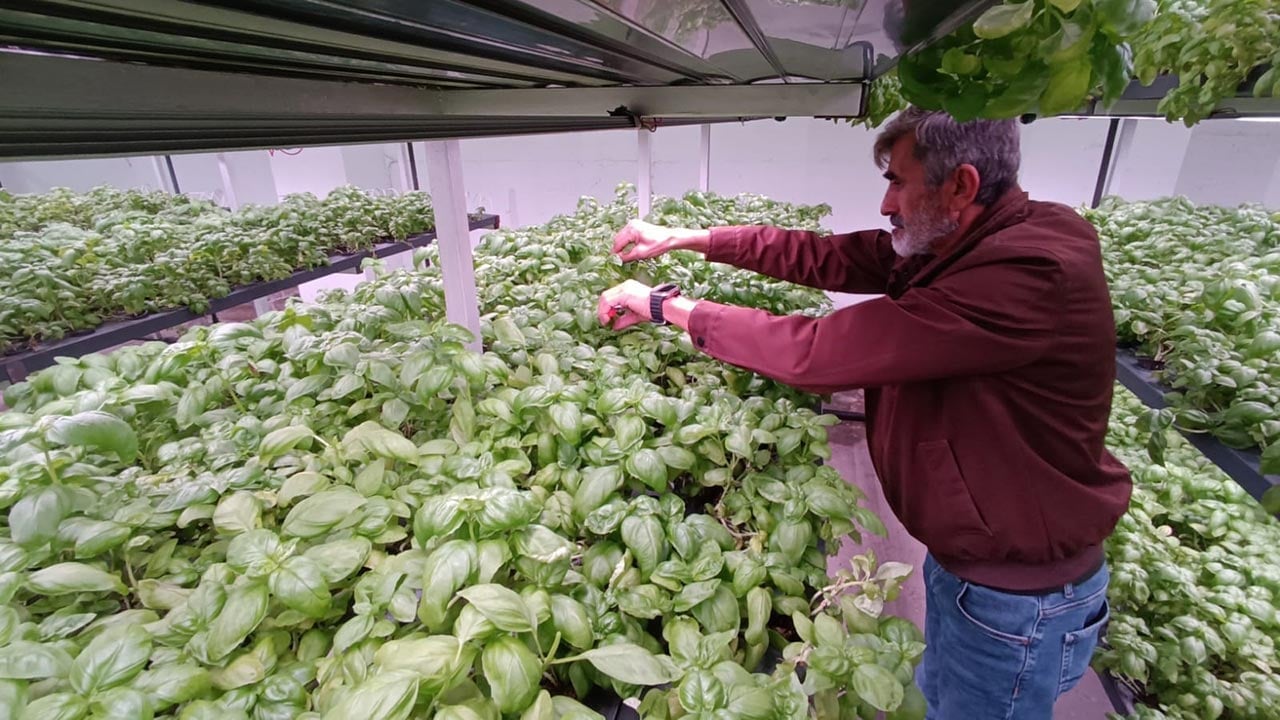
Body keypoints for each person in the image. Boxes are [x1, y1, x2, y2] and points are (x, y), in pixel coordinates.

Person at [597, 107, 1133, 719]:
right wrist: (691, 239)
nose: (885, 204)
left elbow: (817, 352)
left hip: (1015, 600)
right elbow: (827, 257)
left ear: (961, 185)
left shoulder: (1026, 273)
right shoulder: (973, 240)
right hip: (982, 572)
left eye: (899, 182)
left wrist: (663, 305)